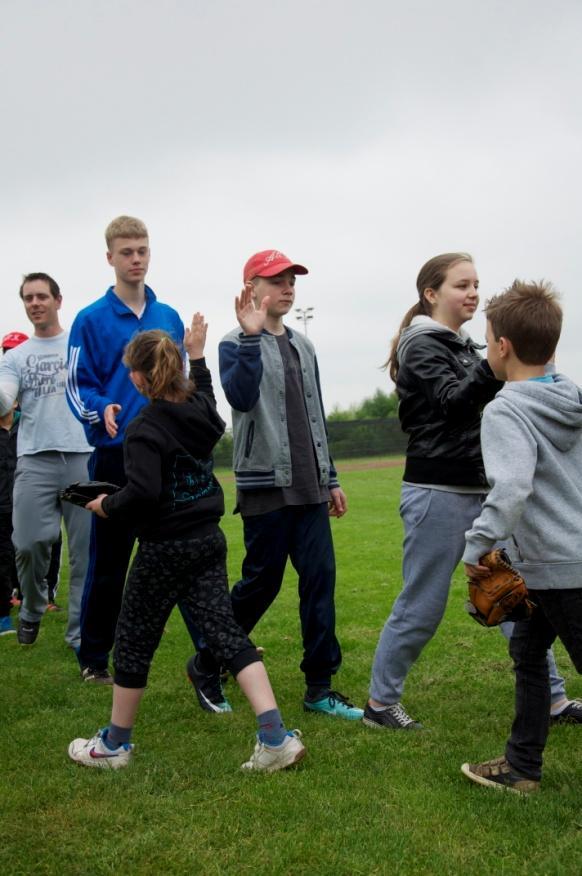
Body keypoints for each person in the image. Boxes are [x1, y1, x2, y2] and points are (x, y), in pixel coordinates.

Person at [68, 323, 306, 773]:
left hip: (165, 547)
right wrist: (197, 358)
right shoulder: (199, 410)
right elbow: (209, 400)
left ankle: (114, 746)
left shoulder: (143, 429)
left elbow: (141, 495)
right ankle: (274, 737)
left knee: (135, 639)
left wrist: (105, 505)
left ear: (139, 378)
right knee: (228, 635)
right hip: (207, 542)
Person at [363, 253, 580, 731]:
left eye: (477, 284)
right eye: (462, 285)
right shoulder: (420, 345)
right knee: (422, 604)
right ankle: (380, 705)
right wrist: (493, 363)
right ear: (431, 294)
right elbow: (453, 404)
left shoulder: (462, 346)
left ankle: (554, 699)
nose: (473, 293)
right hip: (436, 490)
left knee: (514, 596)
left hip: (483, 490)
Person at [188, 250, 362, 720]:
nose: (287, 288)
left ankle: (319, 687)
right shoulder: (231, 344)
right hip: (265, 487)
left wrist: (331, 477)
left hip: (310, 489)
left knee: (320, 582)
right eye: (276, 280)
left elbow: (315, 415)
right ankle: (206, 662)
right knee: (260, 586)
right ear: (251, 288)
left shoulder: (304, 346)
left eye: (291, 281)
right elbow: (241, 398)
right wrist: (248, 336)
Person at [66, 215, 204, 683]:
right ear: (110, 258)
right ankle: (94, 658)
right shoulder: (89, 320)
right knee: (109, 562)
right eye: (126, 252)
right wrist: (101, 407)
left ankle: (212, 650)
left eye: (142, 250)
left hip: (169, 457)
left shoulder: (168, 317)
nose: (136, 259)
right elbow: (75, 387)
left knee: (185, 553)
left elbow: (181, 381)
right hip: (116, 455)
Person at [460, 280, 582, 793]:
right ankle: (522, 767)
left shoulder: (505, 409)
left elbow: (510, 487)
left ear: (502, 348)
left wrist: (477, 544)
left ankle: (522, 766)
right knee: (528, 654)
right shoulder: (570, 395)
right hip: (542, 564)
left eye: (488, 341)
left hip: (561, 566)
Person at [0, 274, 92, 647]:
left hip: (83, 456)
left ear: (57, 300)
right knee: (28, 543)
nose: (35, 303)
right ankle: (32, 606)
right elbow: (6, 399)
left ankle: (79, 635)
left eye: (41, 296)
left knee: (85, 554)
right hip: (35, 459)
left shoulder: (81, 346)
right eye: (28, 298)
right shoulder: (16, 357)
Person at [0, 332, 28, 634]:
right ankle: (3, 614)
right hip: (1, 505)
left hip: (23, 502)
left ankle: (32, 598)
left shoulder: (26, 422)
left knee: (26, 550)